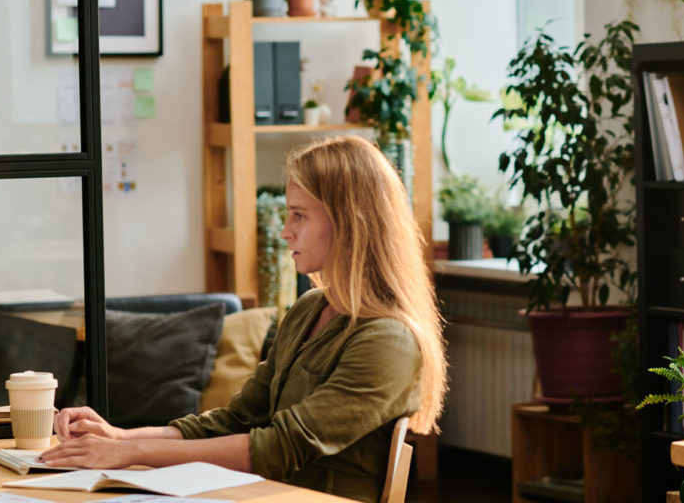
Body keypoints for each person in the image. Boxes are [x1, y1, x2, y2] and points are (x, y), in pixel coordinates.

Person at [40, 135, 448, 503]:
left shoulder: (388, 342)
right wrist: (120, 437)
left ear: (350, 222)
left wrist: (132, 452)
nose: (285, 231)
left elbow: (279, 447)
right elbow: (237, 419)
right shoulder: (310, 308)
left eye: (299, 215)